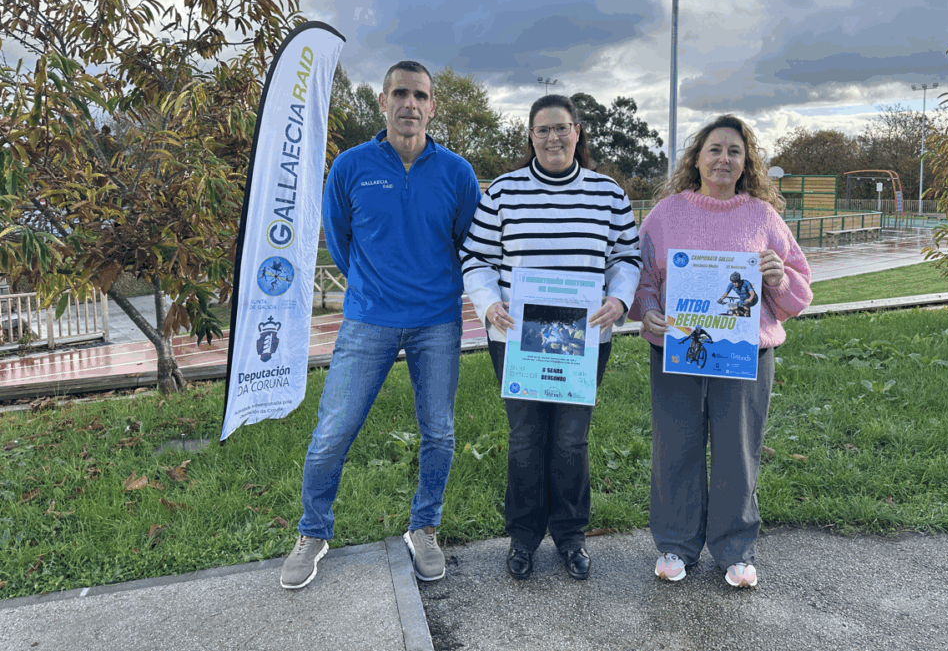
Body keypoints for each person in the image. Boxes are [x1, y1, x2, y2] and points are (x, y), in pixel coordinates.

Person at [280, 61, 482, 589]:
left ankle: (425, 527)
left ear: (432, 106)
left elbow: (469, 242)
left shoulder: (458, 173)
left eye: (420, 95)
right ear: (383, 101)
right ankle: (313, 531)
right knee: (332, 432)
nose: (409, 104)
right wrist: (373, 287)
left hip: (437, 320)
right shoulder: (350, 166)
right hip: (368, 319)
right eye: (400, 93)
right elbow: (339, 239)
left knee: (438, 431)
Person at [461, 93, 640, 581]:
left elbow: (627, 257)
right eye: (543, 129)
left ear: (577, 132)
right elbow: (476, 258)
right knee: (525, 438)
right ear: (531, 136)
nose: (553, 137)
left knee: (570, 440)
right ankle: (522, 536)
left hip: (585, 338)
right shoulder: (503, 192)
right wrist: (488, 303)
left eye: (562, 128)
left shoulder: (608, 194)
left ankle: (570, 535)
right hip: (517, 336)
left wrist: (619, 299)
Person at [629, 115, 811, 587]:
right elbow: (641, 277)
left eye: (734, 151)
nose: (723, 159)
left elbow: (799, 291)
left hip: (745, 355)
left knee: (738, 451)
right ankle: (676, 543)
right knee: (676, 447)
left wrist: (778, 278)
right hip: (676, 351)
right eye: (714, 149)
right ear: (697, 158)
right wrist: (648, 311)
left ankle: (735, 548)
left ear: (747, 162)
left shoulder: (763, 218)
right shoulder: (665, 215)